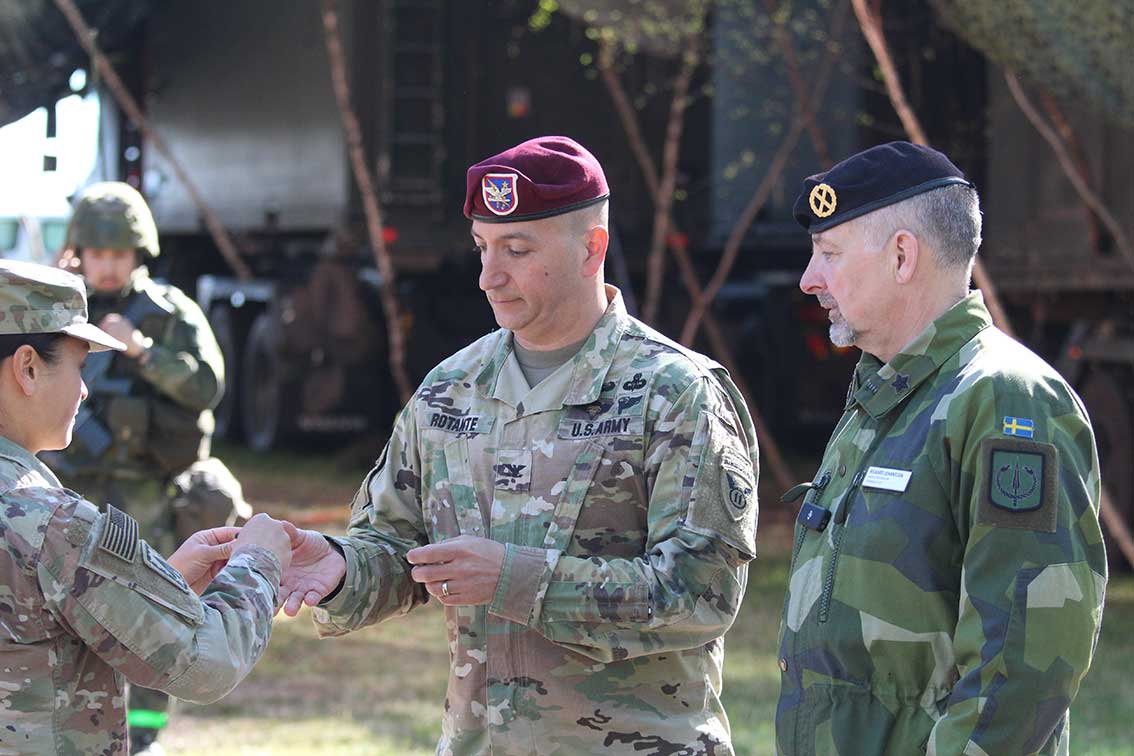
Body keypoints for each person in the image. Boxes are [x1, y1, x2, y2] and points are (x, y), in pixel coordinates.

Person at [276, 136, 760, 753]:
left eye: (517, 249)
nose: (488, 276)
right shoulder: (450, 390)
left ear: (591, 249)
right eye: (482, 247)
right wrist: (341, 569)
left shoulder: (673, 393)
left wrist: (515, 579)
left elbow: (700, 594)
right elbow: (401, 551)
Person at [775, 141, 1107, 755]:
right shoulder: (887, 393)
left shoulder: (1004, 399)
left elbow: (1022, 667)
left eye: (829, 253)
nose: (808, 279)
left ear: (902, 256)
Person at [0, 259, 293, 755]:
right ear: (28, 367)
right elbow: (205, 661)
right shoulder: (52, 526)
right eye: (79, 366)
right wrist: (259, 563)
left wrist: (157, 585)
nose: (85, 389)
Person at [45, 181, 245, 752]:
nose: (108, 265)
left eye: (119, 253)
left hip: (145, 495)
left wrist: (142, 351)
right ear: (79, 251)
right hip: (68, 490)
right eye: (97, 252)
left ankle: (145, 739)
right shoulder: (55, 305)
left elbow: (207, 387)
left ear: (139, 253)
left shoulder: (169, 312)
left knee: (151, 618)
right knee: (64, 616)